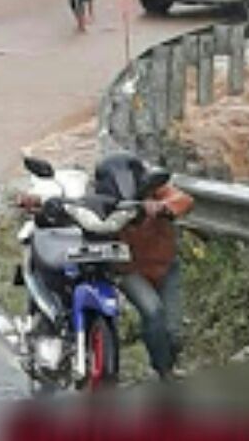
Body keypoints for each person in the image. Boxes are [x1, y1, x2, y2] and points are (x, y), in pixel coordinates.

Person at [92, 154, 194, 381]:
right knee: (153, 311)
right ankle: (163, 371)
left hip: (166, 265)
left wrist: (161, 208)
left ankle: (166, 363)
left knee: (174, 332)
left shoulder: (156, 191)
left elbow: (183, 200)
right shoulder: (101, 202)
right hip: (129, 270)